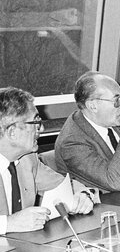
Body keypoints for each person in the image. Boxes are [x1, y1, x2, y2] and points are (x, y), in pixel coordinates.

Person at [0, 87, 94, 235]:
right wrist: (8, 223)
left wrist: (83, 195)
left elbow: (63, 184)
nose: (42, 128)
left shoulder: (27, 159)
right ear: (12, 132)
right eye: (36, 122)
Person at [55, 72, 120, 192]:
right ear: (92, 106)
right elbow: (116, 183)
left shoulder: (113, 121)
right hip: (114, 206)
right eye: (117, 100)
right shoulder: (72, 142)